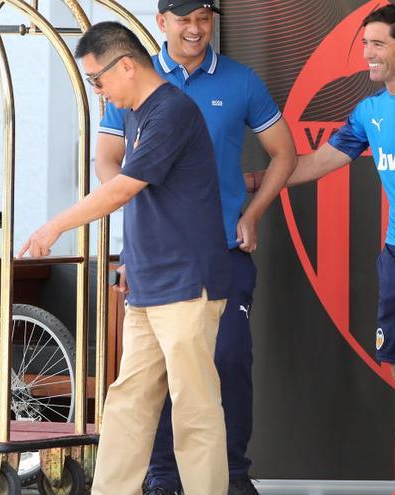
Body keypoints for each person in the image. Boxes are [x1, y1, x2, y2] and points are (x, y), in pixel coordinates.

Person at [248, 5, 395, 495]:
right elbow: (318, 162)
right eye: (365, 45)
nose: (367, 54)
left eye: (377, 44)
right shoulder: (369, 111)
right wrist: (254, 182)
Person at [20, 21, 231, 495]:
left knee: (194, 407)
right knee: (128, 402)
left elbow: (122, 190)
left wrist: (55, 225)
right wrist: (130, 262)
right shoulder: (138, 112)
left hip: (186, 284)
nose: (98, 92)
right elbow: (147, 203)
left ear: (127, 66)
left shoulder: (171, 111)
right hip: (150, 283)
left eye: (98, 80)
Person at [95, 1, 296, 494]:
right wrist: (139, 222)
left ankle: (230, 474)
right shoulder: (132, 78)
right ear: (161, 23)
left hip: (220, 251)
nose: (194, 29)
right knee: (151, 376)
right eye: (183, 19)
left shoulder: (241, 80)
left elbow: (285, 153)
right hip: (155, 258)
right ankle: (163, 476)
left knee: (226, 361)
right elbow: (107, 160)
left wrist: (251, 214)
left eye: (203, 18)